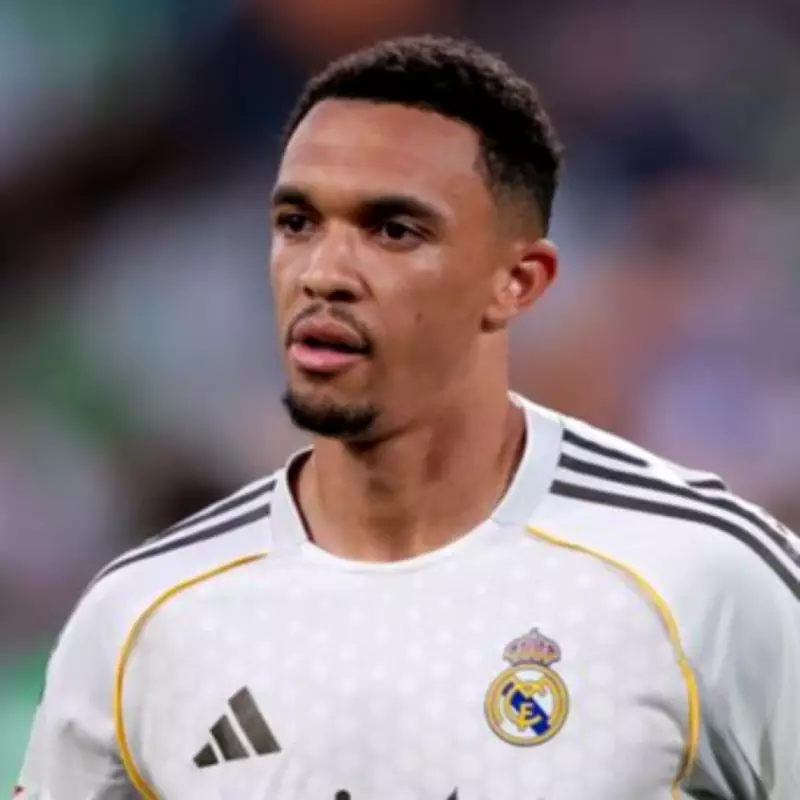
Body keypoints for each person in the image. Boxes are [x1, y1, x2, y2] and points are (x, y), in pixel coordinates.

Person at [16, 36, 799, 800]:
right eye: (297, 223)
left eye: (394, 230)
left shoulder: (707, 578)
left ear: (518, 282)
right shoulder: (145, 615)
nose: (323, 273)